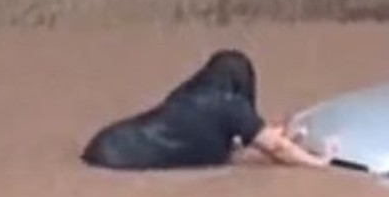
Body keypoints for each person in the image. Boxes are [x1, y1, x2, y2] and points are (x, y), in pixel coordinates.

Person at [81, 49, 332, 171]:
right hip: (118, 158)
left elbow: (257, 143)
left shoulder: (187, 94)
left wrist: (279, 136)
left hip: (107, 144)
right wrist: (318, 162)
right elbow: (277, 149)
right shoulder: (232, 107)